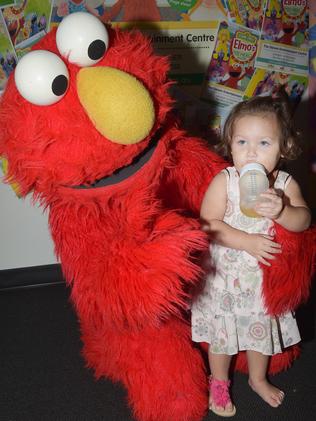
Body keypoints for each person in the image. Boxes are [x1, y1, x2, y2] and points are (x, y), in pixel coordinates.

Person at [191, 94, 311, 417]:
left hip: (261, 283)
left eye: (264, 143)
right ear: (230, 145)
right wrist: (245, 240)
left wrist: (283, 211)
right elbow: (207, 224)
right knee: (222, 337)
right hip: (225, 281)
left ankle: (258, 378)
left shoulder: (284, 185)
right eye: (242, 141)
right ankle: (219, 382)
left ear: (283, 148)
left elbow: (304, 220)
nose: (251, 152)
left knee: (261, 333)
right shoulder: (225, 181)